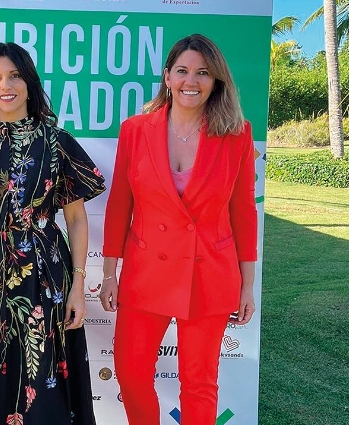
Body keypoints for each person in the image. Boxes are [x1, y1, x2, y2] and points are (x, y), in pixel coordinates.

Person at [0, 42, 105, 425]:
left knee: (42, 378)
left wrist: (79, 285)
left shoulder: (56, 141)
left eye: (13, 75)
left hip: (44, 277)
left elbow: (77, 220)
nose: (5, 86)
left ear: (29, 82)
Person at [100, 34, 257, 425]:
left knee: (199, 384)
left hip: (210, 273)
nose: (192, 81)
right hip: (145, 270)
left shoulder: (237, 133)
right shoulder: (136, 129)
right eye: (183, 71)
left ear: (216, 80)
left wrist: (247, 285)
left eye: (203, 73)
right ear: (167, 76)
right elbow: (120, 202)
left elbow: (243, 212)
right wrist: (108, 272)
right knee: (132, 375)